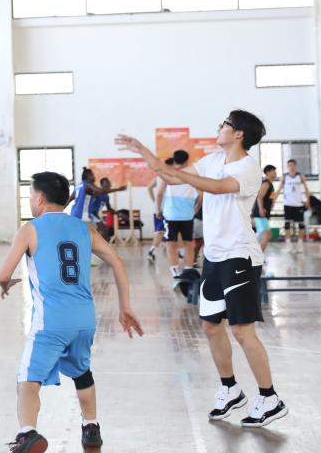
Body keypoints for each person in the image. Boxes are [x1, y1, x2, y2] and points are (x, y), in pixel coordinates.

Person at [117, 110, 288, 428]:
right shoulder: (212, 160)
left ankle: (270, 398)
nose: (219, 127)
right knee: (211, 326)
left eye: (225, 124)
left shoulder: (248, 168)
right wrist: (142, 150)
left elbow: (219, 187)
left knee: (242, 331)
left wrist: (182, 177)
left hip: (239, 257)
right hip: (214, 257)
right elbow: (171, 176)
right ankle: (230, 389)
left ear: (238, 134)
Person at [0, 171, 143, 453]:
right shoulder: (85, 228)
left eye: (30, 196)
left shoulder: (30, 229)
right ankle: (91, 426)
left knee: (28, 380)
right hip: (84, 320)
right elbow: (117, 262)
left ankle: (27, 433)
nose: (30, 201)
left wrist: (5, 284)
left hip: (51, 321)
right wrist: (125, 306)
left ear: (40, 199)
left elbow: (3, 273)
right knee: (82, 372)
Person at [157, 150, 200, 280]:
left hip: (171, 215)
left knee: (171, 243)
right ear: (187, 161)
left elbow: (159, 193)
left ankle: (175, 271)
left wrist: (158, 209)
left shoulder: (168, 174)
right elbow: (201, 193)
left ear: (174, 160)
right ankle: (188, 269)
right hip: (187, 215)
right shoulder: (193, 174)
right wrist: (197, 206)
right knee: (188, 243)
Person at [146, 159, 174, 262]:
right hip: (163, 209)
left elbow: (149, 187)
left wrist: (155, 203)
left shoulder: (159, 176)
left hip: (161, 208)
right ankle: (151, 251)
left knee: (165, 231)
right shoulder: (167, 177)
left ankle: (178, 252)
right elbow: (158, 193)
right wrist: (157, 204)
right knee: (160, 232)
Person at [279, 159, 310, 251]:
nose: (291, 167)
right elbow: (278, 189)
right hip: (288, 204)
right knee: (287, 224)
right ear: (287, 166)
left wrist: (308, 201)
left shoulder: (300, 176)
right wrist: (272, 199)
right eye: (289, 165)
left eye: (293, 165)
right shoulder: (284, 177)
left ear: (295, 166)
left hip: (298, 204)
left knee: (301, 225)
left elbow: (306, 189)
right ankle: (288, 244)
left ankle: (300, 244)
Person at [252, 165, 277, 252]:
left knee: (263, 234)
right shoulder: (266, 183)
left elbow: (272, 198)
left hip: (265, 213)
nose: (275, 173)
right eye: (273, 171)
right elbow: (259, 197)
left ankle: (255, 254)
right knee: (266, 234)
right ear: (268, 172)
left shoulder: (271, 185)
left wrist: (271, 206)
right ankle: (255, 254)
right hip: (260, 213)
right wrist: (261, 208)